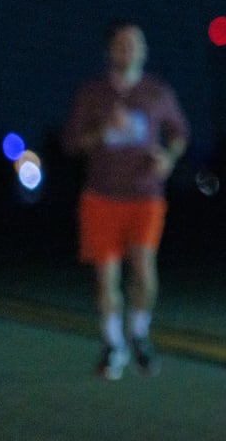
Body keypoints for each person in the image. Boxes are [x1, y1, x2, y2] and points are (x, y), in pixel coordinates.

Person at [64, 21, 189, 380]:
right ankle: (112, 345)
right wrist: (102, 132)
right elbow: (71, 143)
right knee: (106, 279)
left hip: (145, 196)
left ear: (145, 51)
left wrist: (167, 157)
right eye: (121, 44)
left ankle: (139, 333)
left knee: (145, 274)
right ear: (109, 51)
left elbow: (179, 133)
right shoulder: (92, 93)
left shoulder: (157, 92)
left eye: (136, 44)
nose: (129, 49)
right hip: (101, 197)